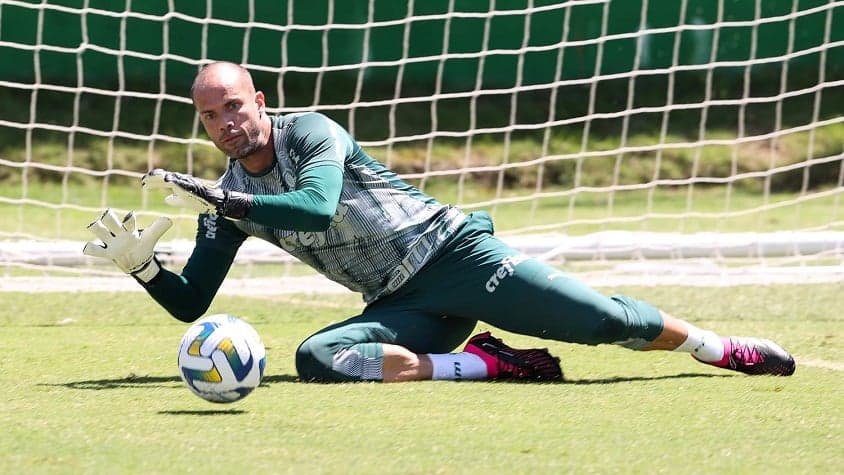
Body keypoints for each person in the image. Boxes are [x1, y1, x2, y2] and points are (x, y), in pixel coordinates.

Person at [82, 61, 796, 383]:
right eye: (210, 114)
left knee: (606, 320)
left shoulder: (311, 133)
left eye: (234, 105)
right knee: (317, 360)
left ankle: (714, 346)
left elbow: (315, 207)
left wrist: (223, 200)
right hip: (403, 305)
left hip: (457, 255)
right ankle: (484, 362)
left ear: (260, 100)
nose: (226, 123)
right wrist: (145, 268)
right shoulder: (225, 194)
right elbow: (192, 303)